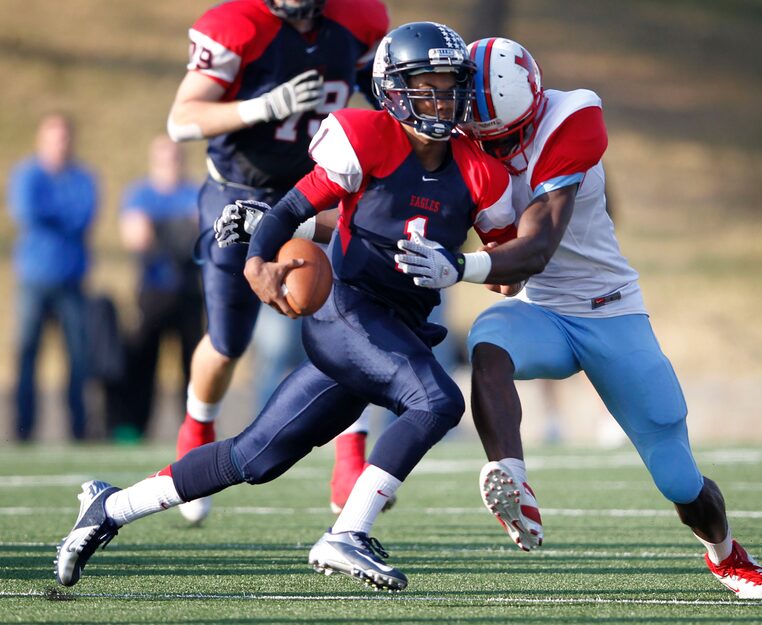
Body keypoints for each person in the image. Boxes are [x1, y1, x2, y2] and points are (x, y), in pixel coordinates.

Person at [54, 22, 516, 593]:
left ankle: (110, 507)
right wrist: (257, 260)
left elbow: (507, 267)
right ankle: (349, 533)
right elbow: (291, 206)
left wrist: (470, 268)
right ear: (394, 89)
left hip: (396, 328)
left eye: (450, 84)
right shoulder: (368, 136)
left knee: (256, 457)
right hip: (347, 311)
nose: (442, 97)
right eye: (427, 83)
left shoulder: (481, 170)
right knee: (437, 400)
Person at [395, 37, 762, 600]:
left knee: (679, 479)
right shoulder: (463, 138)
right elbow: (510, 278)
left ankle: (726, 554)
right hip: (544, 311)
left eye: (503, 136)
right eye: (483, 133)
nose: (492, 145)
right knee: (489, 339)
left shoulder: (572, 117)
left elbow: (538, 247)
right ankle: (514, 479)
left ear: (525, 115)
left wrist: (459, 266)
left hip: (610, 312)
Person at [165, 0, 388, 522]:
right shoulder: (237, 25)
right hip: (237, 194)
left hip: (316, 189)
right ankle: (197, 427)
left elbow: (385, 102)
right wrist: (263, 106)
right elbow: (182, 119)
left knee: (353, 317)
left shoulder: (359, 18)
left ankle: (350, 457)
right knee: (226, 343)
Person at [7, 113, 98, 441]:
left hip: (72, 280)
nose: (60, 143)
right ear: (41, 140)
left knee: (77, 357)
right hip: (34, 279)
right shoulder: (27, 175)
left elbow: (83, 216)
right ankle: (23, 428)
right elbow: (27, 212)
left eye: (64, 137)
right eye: (54, 137)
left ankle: (78, 428)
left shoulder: (83, 178)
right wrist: (60, 214)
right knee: (28, 353)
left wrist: (52, 214)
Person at [115, 135, 203, 441]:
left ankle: (193, 433)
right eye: (164, 157)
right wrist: (180, 230)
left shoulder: (196, 193)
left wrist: (160, 229)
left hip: (190, 292)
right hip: (152, 292)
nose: (170, 163)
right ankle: (132, 430)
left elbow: (203, 232)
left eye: (175, 156)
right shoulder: (140, 194)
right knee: (141, 361)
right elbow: (136, 236)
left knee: (193, 366)